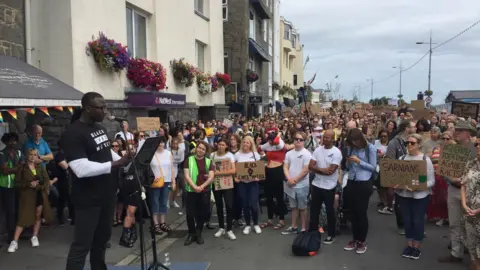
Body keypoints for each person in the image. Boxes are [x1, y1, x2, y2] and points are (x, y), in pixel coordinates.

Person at [62, 92, 130, 270]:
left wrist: (125, 159)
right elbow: (80, 168)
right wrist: (115, 164)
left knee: (101, 242)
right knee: (82, 245)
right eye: (101, 108)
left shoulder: (99, 128)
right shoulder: (73, 133)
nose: (105, 111)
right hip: (87, 199)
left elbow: (105, 152)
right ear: (87, 108)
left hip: (106, 195)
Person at [396, 134, 435, 260]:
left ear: (419, 144)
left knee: (417, 221)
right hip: (404, 195)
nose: (409, 145)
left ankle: (416, 246)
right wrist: (397, 185)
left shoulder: (424, 159)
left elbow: (431, 181)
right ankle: (409, 245)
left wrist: (419, 187)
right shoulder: (402, 158)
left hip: (420, 197)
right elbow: (397, 178)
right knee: (407, 220)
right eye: (408, 142)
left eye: (412, 143)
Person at [8, 148, 53, 252]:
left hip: (39, 195)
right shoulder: (22, 168)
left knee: (38, 215)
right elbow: (17, 183)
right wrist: (28, 184)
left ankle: (34, 236)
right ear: (27, 156)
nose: (33, 157)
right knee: (23, 218)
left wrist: (40, 184)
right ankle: (14, 241)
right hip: (27, 196)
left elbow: (46, 180)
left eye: (35, 155)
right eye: (31, 155)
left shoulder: (40, 167)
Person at [343, 128, 377, 254]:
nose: (355, 143)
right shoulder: (351, 148)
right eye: (352, 141)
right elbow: (347, 167)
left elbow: (373, 168)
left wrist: (359, 161)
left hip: (364, 182)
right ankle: (354, 238)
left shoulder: (370, 148)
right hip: (352, 179)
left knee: (361, 212)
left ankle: (361, 241)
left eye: (356, 141)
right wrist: (348, 162)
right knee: (352, 212)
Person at [308, 130, 342, 244]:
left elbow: (331, 171)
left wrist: (318, 170)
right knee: (314, 211)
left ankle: (331, 234)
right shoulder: (317, 150)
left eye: (328, 137)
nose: (326, 139)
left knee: (329, 211)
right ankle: (312, 232)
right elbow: (310, 166)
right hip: (316, 184)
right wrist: (322, 170)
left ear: (333, 139)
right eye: (324, 137)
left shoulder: (337, 152)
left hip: (329, 186)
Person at [183, 141, 215, 246]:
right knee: (190, 213)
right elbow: (187, 176)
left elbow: (211, 177)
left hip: (204, 190)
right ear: (196, 148)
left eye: (203, 149)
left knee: (202, 213)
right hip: (191, 190)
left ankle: (198, 233)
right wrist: (195, 187)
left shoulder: (209, 162)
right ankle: (191, 233)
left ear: (206, 151)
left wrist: (201, 186)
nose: (200, 150)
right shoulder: (189, 160)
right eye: (199, 148)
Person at [281, 132, 311, 234]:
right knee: (293, 207)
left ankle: (303, 228)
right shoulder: (289, 153)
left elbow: (306, 169)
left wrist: (295, 180)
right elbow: (285, 166)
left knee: (302, 207)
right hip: (290, 184)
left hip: (302, 185)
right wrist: (289, 178)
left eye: (301, 139)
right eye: (296, 139)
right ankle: (293, 227)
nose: (298, 141)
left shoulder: (307, 154)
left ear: (304, 141)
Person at [235, 136, 262, 235]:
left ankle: (255, 224)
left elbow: (259, 169)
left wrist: (258, 176)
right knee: (245, 205)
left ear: (251, 144)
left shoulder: (255, 155)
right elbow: (235, 168)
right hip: (242, 183)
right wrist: (236, 177)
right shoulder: (237, 155)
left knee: (254, 205)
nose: (245, 144)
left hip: (253, 183)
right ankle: (247, 225)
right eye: (244, 142)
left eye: (248, 142)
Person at [211, 139, 237, 240]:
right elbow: (211, 169)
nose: (221, 146)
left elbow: (233, 170)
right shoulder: (212, 155)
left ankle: (229, 229)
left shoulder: (230, 155)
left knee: (229, 205)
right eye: (219, 144)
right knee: (219, 206)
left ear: (226, 146)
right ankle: (221, 227)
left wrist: (218, 173)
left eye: (223, 145)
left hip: (227, 183)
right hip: (216, 183)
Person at [461, 135, 480, 270]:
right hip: (468, 210)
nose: (477, 147)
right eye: (476, 144)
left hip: (478, 212)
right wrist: (463, 204)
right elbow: (463, 185)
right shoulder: (470, 163)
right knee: (471, 241)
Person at [0, 132, 21, 244]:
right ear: (5, 142)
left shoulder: (18, 153)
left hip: (18, 185)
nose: (12, 142)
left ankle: (17, 234)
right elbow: (4, 170)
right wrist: (17, 168)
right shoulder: (2, 154)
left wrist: (12, 169)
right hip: (6, 186)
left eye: (14, 140)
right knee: (10, 212)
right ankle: (10, 236)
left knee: (17, 210)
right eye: (10, 140)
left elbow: (23, 167)